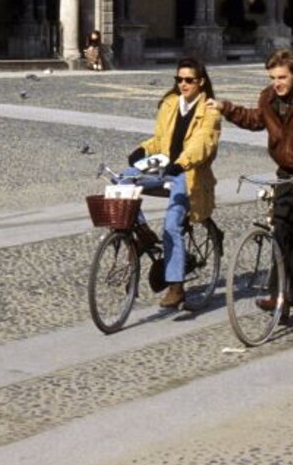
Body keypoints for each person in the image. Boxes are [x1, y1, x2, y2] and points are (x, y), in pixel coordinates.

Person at [124, 57, 220, 309]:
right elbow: (159, 140)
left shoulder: (210, 111)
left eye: (189, 80)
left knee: (172, 224)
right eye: (179, 79)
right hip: (163, 167)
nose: (183, 84)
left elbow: (203, 143)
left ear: (200, 82)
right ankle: (143, 233)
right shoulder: (169, 103)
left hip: (187, 174)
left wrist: (182, 162)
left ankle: (176, 287)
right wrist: (141, 150)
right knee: (121, 178)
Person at [207, 49, 293, 313]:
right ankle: (280, 295)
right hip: (285, 174)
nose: (276, 82)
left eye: (282, 77)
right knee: (280, 233)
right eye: (272, 77)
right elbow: (255, 120)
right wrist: (226, 108)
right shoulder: (268, 98)